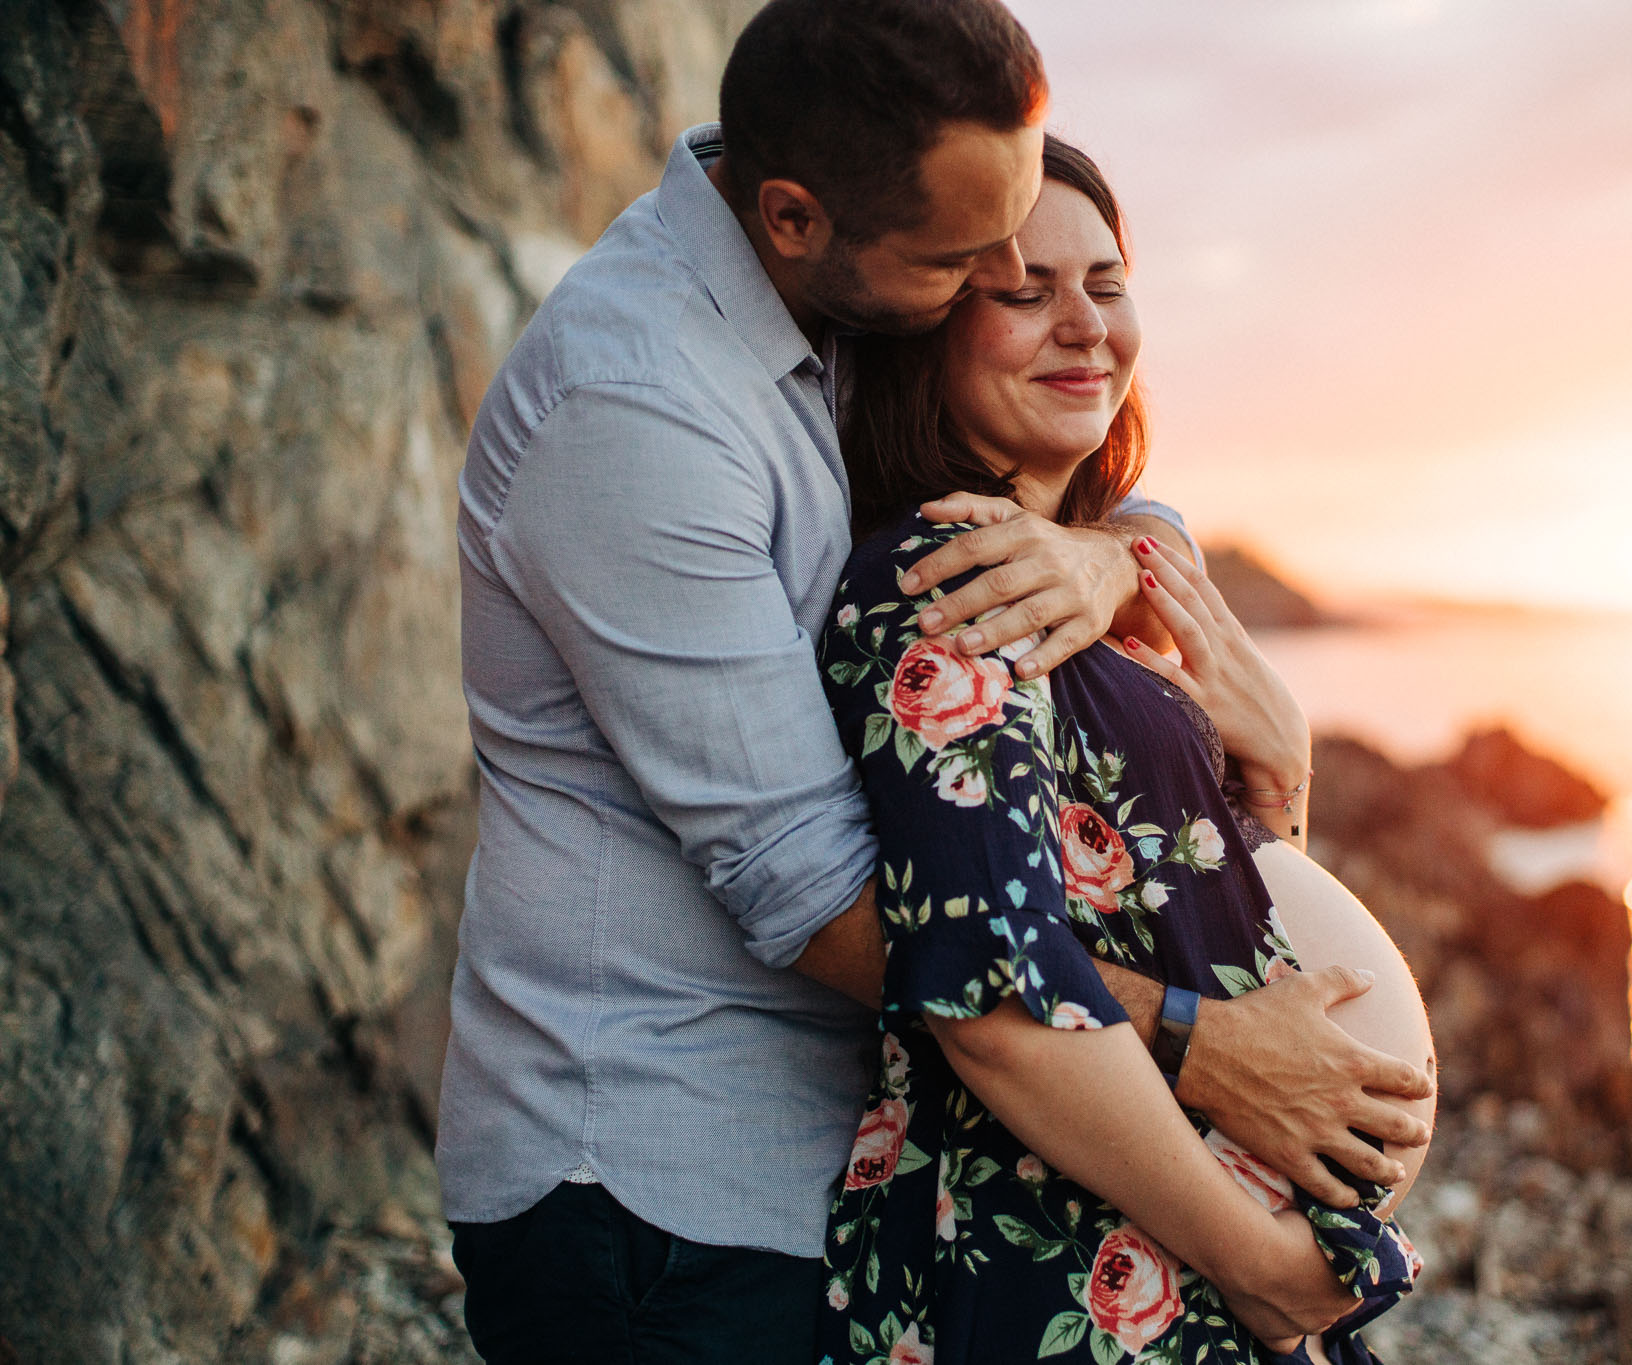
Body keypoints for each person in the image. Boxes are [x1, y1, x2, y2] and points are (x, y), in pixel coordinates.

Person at [437, 1, 1431, 1361]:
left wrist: (1112, 564)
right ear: (796, 220)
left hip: (849, 1164)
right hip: (658, 1186)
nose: (1014, 291)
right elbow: (831, 901)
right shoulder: (642, 411)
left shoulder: (834, 300)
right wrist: (1206, 1051)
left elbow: (1069, 453)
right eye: (983, 270)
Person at [813, 137, 1430, 1365]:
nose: (1083, 325)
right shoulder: (950, 581)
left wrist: (1279, 771)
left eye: (1103, 282)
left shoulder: (1103, 584)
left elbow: (1189, 906)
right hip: (1071, 1270)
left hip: (1173, 1250)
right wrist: (1260, 1265)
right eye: (1023, 290)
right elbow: (986, 997)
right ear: (928, 326)